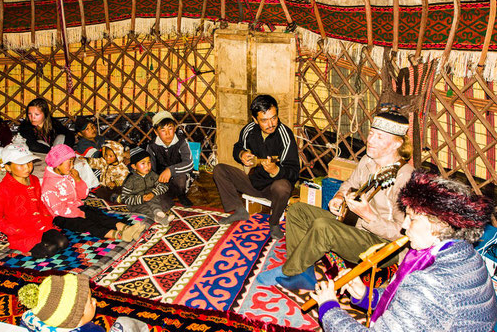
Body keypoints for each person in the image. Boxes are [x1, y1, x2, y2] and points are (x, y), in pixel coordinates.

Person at [312, 170, 497, 331]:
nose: (404, 226)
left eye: (411, 218)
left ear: (438, 225)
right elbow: (411, 309)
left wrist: (328, 307)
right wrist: (366, 294)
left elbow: (423, 299)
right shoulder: (467, 255)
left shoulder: (431, 284)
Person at [257, 110, 414, 289]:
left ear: (397, 143)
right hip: (354, 225)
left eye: (379, 137)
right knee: (297, 210)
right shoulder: (367, 160)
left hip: (383, 245)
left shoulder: (404, 178)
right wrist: (339, 197)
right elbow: (349, 183)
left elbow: (403, 235)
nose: (370, 140)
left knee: (323, 227)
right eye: (371, 133)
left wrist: (370, 217)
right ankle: (303, 273)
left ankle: (288, 270)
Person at [213, 94, 300, 239]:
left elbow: (293, 172)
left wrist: (276, 171)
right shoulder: (249, 130)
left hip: (273, 189)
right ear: (255, 120)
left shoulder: (285, 135)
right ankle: (238, 210)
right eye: (264, 120)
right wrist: (241, 154)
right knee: (219, 170)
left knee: (283, 186)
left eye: (274, 118)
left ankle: (274, 223)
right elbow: (238, 147)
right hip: (253, 183)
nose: (271, 124)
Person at [41, 144, 145, 242]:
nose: (72, 166)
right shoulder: (49, 184)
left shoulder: (68, 175)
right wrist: (77, 213)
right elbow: (58, 209)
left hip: (76, 207)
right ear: (58, 164)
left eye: (73, 162)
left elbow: (83, 195)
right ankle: (120, 235)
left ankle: (127, 228)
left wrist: (78, 180)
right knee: (88, 224)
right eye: (69, 162)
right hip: (61, 216)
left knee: (97, 214)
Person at [0, 143, 69, 258]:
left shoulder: (34, 180)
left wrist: (47, 217)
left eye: (29, 163)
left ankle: (41, 241)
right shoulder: (4, 189)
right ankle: (25, 248)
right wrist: (13, 230)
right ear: (8, 167)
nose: (27, 167)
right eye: (21, 164)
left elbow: (39, 202)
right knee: (50, 249)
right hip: (22, 232)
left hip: (41, 225)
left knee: (63, 243)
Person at [18, 273, 149, 332]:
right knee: (125, 323)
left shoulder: (31, 317)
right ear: (77, 320)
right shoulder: (92, 330)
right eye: (90, 302)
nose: (95, 301)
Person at [147, 111, 194, 207]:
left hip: (179, 178)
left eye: (170, 128)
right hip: (162, 179)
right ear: (156, 132)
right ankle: (167, 197)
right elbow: (150, 168)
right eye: (163, 130)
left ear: (175, 128)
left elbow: (189, 163)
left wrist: (171, 170)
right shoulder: (151, 146)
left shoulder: (181, 142)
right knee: (162, 202)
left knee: (181, 178)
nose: (167, 133)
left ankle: (182, 195)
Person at [117, 149, 174, 226]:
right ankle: (159, 219)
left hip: (151, 198)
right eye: (143, 163)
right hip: (137, 203)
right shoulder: (130, 180)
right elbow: (125, 198)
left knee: (157, 201)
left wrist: (153, 193)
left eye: (149, 162)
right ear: (134, 166)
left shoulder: (152, 175)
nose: (147, 166)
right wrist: (141, 198)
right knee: (144, 209)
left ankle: (158, 212)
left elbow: (164, 186)